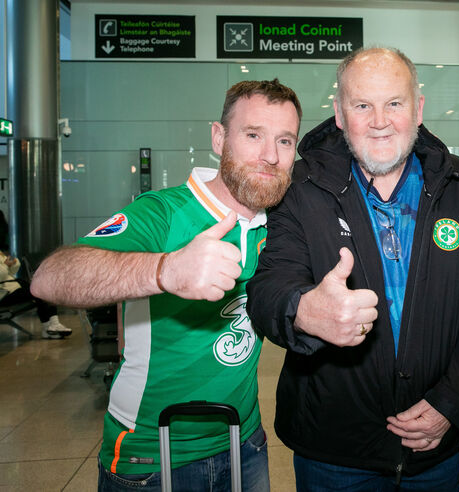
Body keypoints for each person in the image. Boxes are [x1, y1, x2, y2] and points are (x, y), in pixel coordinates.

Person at [246, 47, 459, 491]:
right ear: (339, 114)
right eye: (362, 105)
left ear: (418, 108)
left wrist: (453, 403)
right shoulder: (299, 186)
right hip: (334, 452)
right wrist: (302, 309)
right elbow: (268, 287)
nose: (379, 120)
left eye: (394, 103)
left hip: (436, 450)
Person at [29, 79, 302, 491]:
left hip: (245, 442)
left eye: (285, 141)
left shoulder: (280, 224)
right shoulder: (163, 213)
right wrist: (166, 270)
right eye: (253, 135)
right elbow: (51, 277)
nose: (270, 155)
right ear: (218, 137)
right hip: (152, 455)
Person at [0, 210, 71, 338]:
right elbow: (3, 274)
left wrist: (12, 263)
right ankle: (50, 326)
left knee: (43, 288)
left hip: (10, 288)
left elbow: (11, 272)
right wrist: (5, 266)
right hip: (3, 293)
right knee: (38, 291)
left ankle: (52, 324)